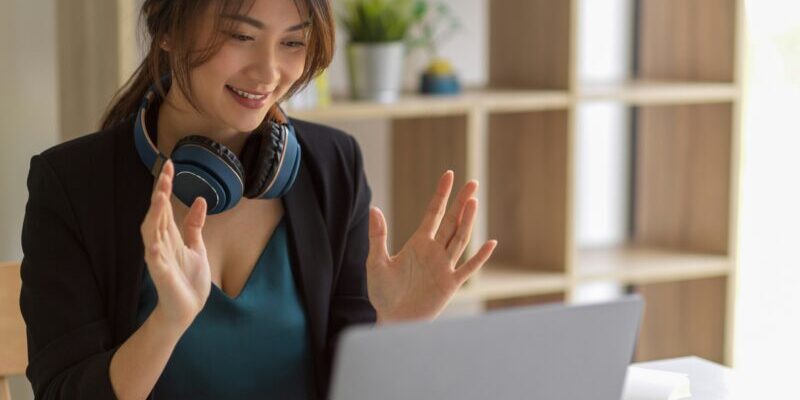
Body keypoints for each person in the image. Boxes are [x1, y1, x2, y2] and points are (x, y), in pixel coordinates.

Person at [19, 0, 497, 398]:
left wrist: (394, 329)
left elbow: (344, 386)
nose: (269, 72)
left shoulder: (332, 164)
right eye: (241, 36)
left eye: (292, 42)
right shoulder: (71, 184)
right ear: (168, 30)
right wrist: (166, 324)